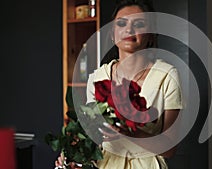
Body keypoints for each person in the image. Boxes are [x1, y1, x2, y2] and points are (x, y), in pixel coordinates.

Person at [56, 0, 182, 168]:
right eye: (121, 23)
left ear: (151, 34)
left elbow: (170, 148)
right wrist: (72, 152)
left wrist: (129, 131)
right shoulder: (97, 77)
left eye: (139, 24)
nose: (129, 29)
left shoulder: (167, 76)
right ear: (113, 34)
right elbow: (92, 133)